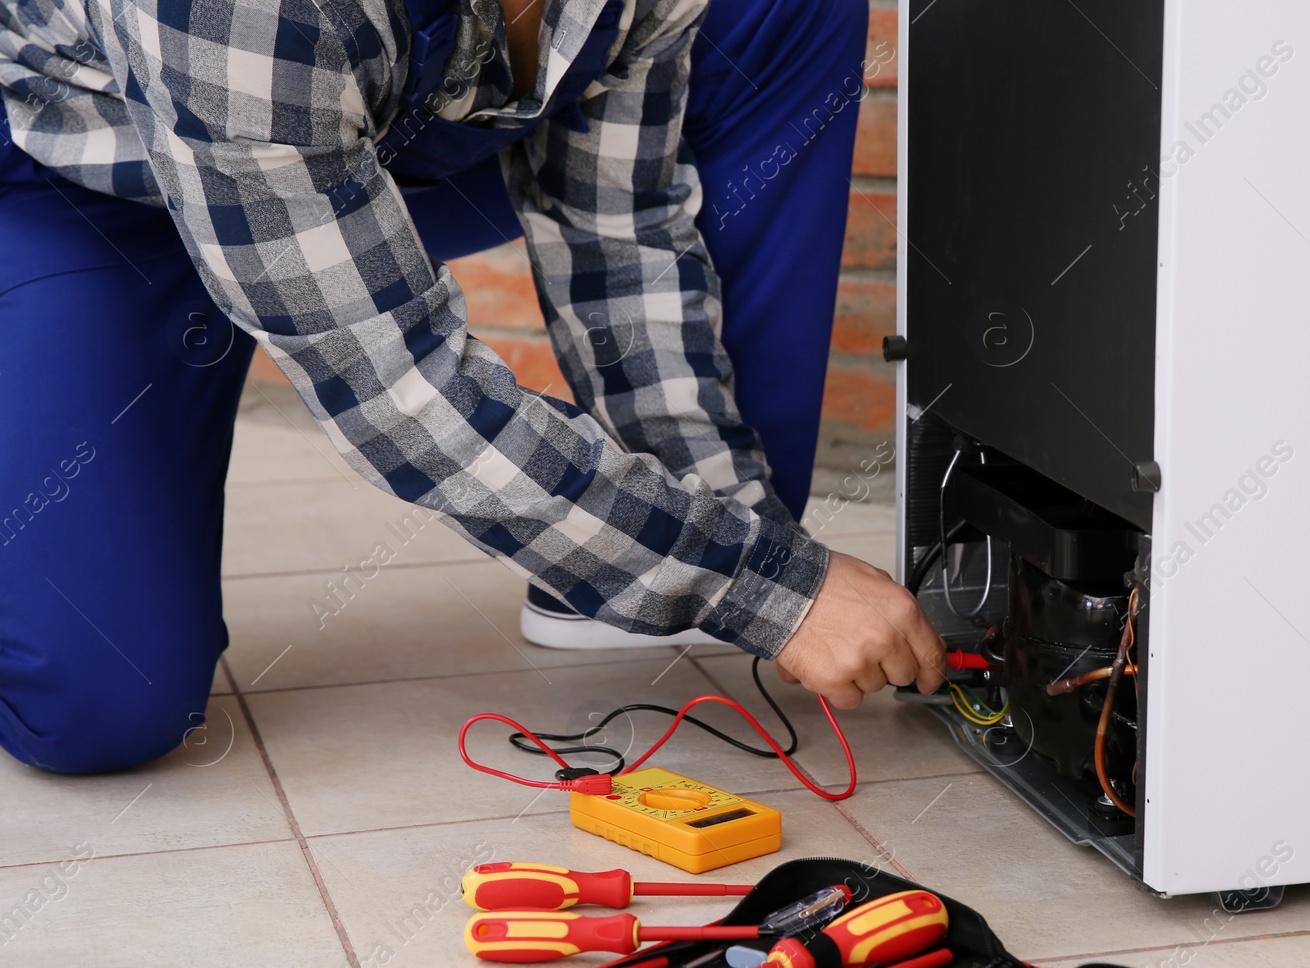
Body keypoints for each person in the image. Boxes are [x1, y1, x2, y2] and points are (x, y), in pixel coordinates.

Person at [0, 0, 945, 774]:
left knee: (784, 10)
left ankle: (626, 557)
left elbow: (620, 242)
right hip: (80, 196)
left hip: (364, 140)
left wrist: (751, 545)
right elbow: (401, 395)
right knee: (103, 703)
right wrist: (770, 590)